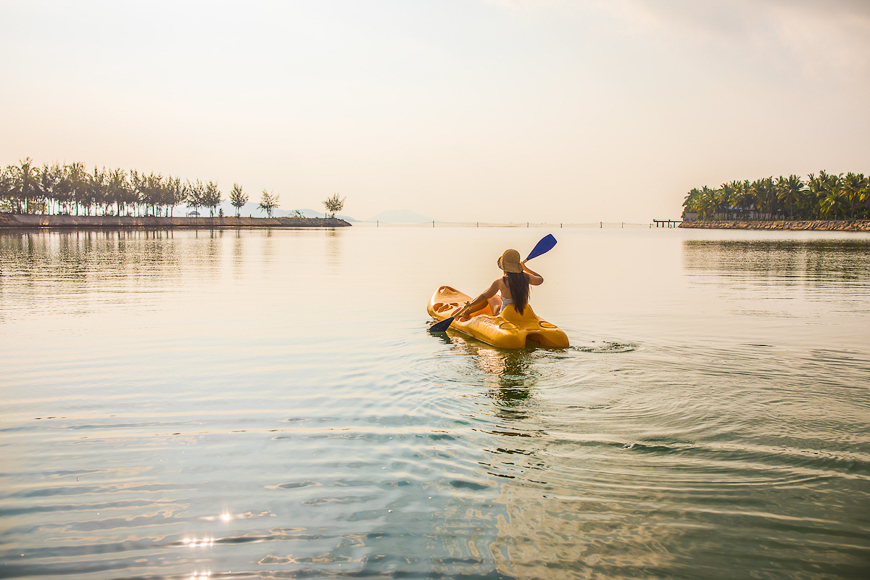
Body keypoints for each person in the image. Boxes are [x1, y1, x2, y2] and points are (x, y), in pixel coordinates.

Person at [462, 249, 543, 317]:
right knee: (496, 296)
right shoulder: (526, 277)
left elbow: (484, 296)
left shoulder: (499, 282)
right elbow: (540, 279)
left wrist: (471, 304)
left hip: (504, 315)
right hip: (521, 313)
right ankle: (467, 312)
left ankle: (466, 313)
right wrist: (525, 268)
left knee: (490, 295)